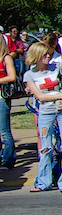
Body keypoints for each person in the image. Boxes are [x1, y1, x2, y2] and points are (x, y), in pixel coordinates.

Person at [25, 41, 62, 191]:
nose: (48, 56)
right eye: (44, 54)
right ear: (36, 56)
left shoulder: (57, 68)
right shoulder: (29, 75)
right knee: (45, 147)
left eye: (48, 54)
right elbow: (40, 97)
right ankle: (43, 182)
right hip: (45, 112)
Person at [0, 36, 17, 169]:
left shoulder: (6, 58)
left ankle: (8, 159)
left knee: (4, 131)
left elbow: (12, 77)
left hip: (2, 97)